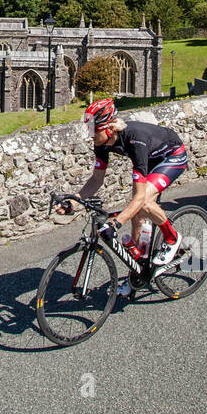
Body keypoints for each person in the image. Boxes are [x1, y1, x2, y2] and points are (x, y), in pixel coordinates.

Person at [56, 98, 188, 297]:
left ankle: (172, 238)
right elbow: (96, 180)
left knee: (141, 201)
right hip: (150, 159)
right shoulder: (101, 143)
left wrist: (116, 224)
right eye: (89, 129)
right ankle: (138, 271)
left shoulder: (135, 139)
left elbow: (140, 196)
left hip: (171, 157)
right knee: (137, 216)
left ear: (110, 127)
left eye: (94, 129)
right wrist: (73, 202)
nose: (90, 134)